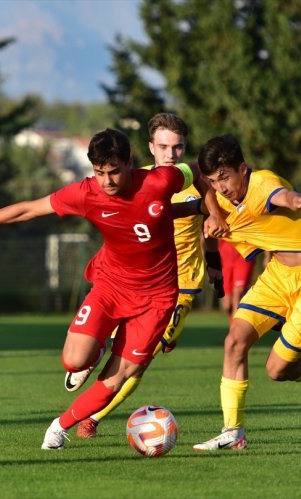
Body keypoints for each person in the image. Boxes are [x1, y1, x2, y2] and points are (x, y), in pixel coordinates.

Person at [0, 128, 222, 450]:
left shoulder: (160, 180)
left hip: (157, 298)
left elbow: (199, 171)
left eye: (114, 171)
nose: (108, 181)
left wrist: (212, 210)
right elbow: (28, 209)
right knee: (73, 360)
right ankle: (96, 350)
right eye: (100, 173)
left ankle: (59, 427)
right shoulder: (86, 193)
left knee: (119, 376)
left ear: (130, 163)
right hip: (111, 285)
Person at [74, 112, 223, 439]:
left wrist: (215, 263)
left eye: (179, 147)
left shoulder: (193, 181)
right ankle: (95, 355)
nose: (172, 154)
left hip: (180, 285)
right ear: (151, 147)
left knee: (143, 358)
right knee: (127, 354)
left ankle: (93, 417)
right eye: (165, 147)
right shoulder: (132, 180)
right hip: (131, 281)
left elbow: (210, 224)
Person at [190, 133, 301, 452]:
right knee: (234, 341)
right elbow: (198, 183)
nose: (221, 187)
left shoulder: (262, 183)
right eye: (214, 182)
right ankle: (233, 432)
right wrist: (214, 253)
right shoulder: (218, 197)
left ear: (242, 169)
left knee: (277, 370)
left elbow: (281, 195)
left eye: (225, 178)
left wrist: (297, 201)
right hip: (278, 275)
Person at [218, 240, 258, 320]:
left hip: (244, 253)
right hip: (225, 255)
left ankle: (236, 330)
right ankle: (234, 327)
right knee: (227, 305)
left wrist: (267, 255)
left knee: (238, 294)